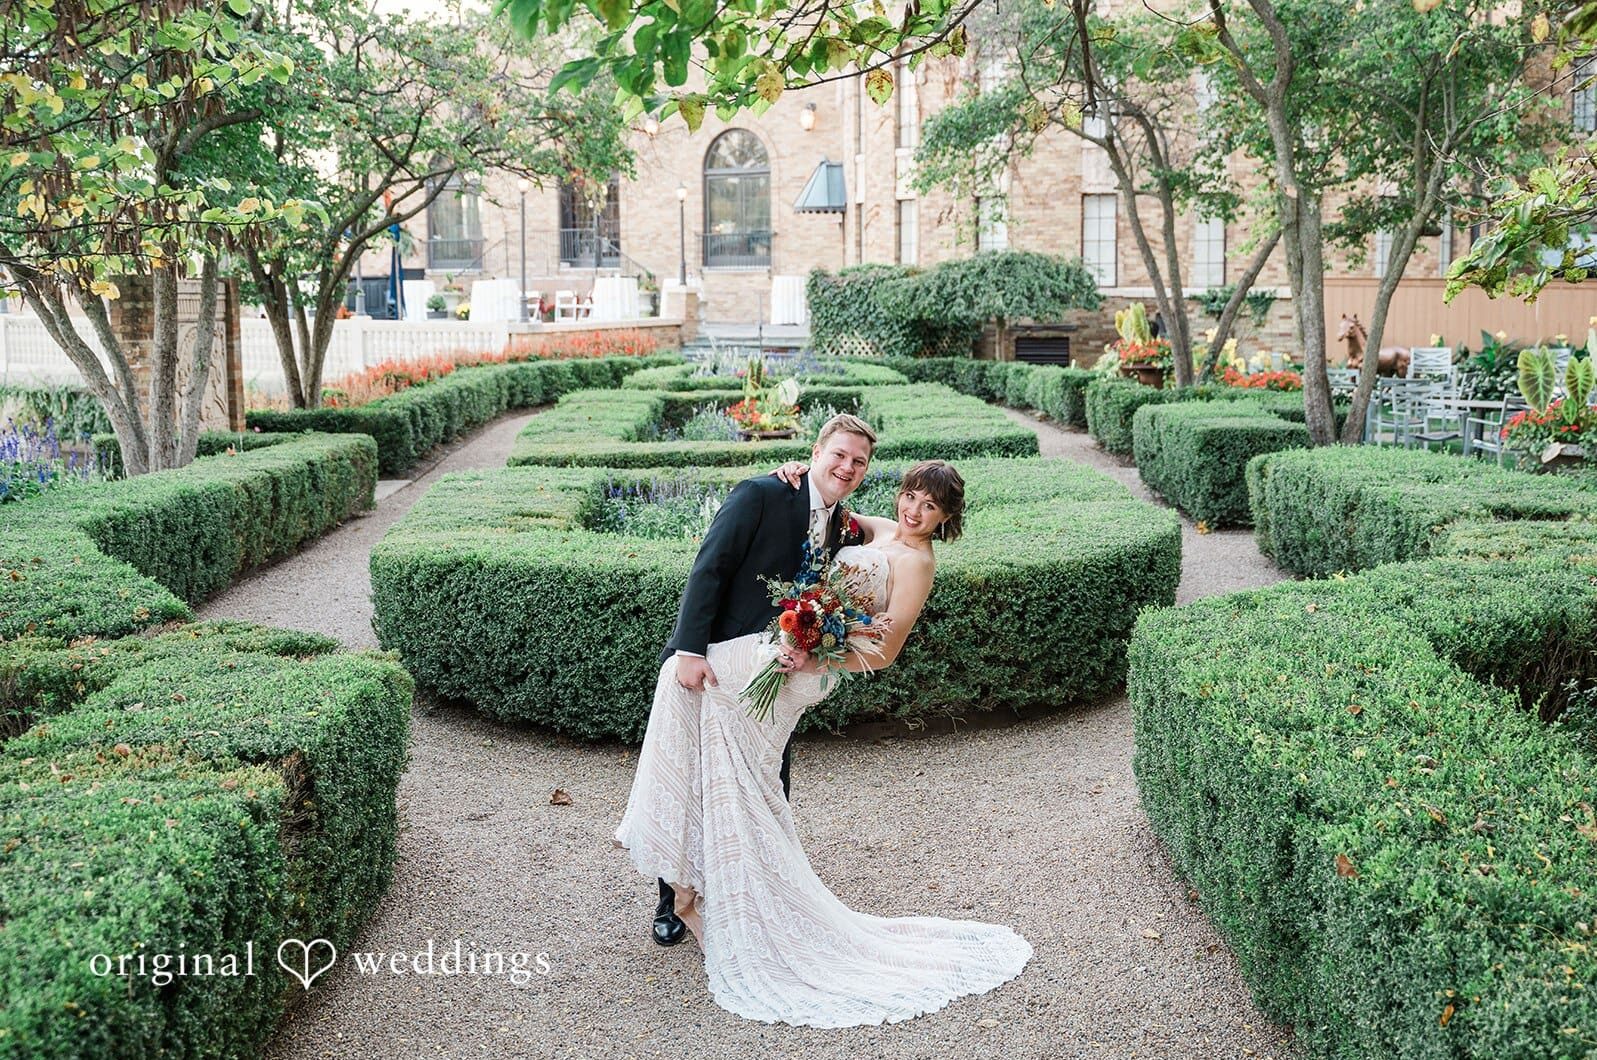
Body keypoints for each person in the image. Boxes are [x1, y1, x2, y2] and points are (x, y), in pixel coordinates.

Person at [613, 457, 1032, 1028]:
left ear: (945, 518)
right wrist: (797, 471)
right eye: (911, 496)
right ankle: (696, 887)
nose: (913, 510)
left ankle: (711, 891)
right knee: (728, 754)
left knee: (721, 732)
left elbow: (884, 653)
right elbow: (829, 509)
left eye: (929, 506)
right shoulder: (881, 529)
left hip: (809, 665)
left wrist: (816, 652)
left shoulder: (917, 564)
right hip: (785, 650)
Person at [630, 413, 877, 949]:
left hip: (773, 683)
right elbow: (710, 567)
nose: (847, 467)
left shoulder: (846, 526)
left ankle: (753, 893)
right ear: (816, 451)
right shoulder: (761, 495)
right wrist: (689, 651)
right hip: (716, 667)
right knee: (695, 780)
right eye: (839, 454)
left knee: (767, 784)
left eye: (859, 462)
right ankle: (673, 899)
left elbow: (896, 533)